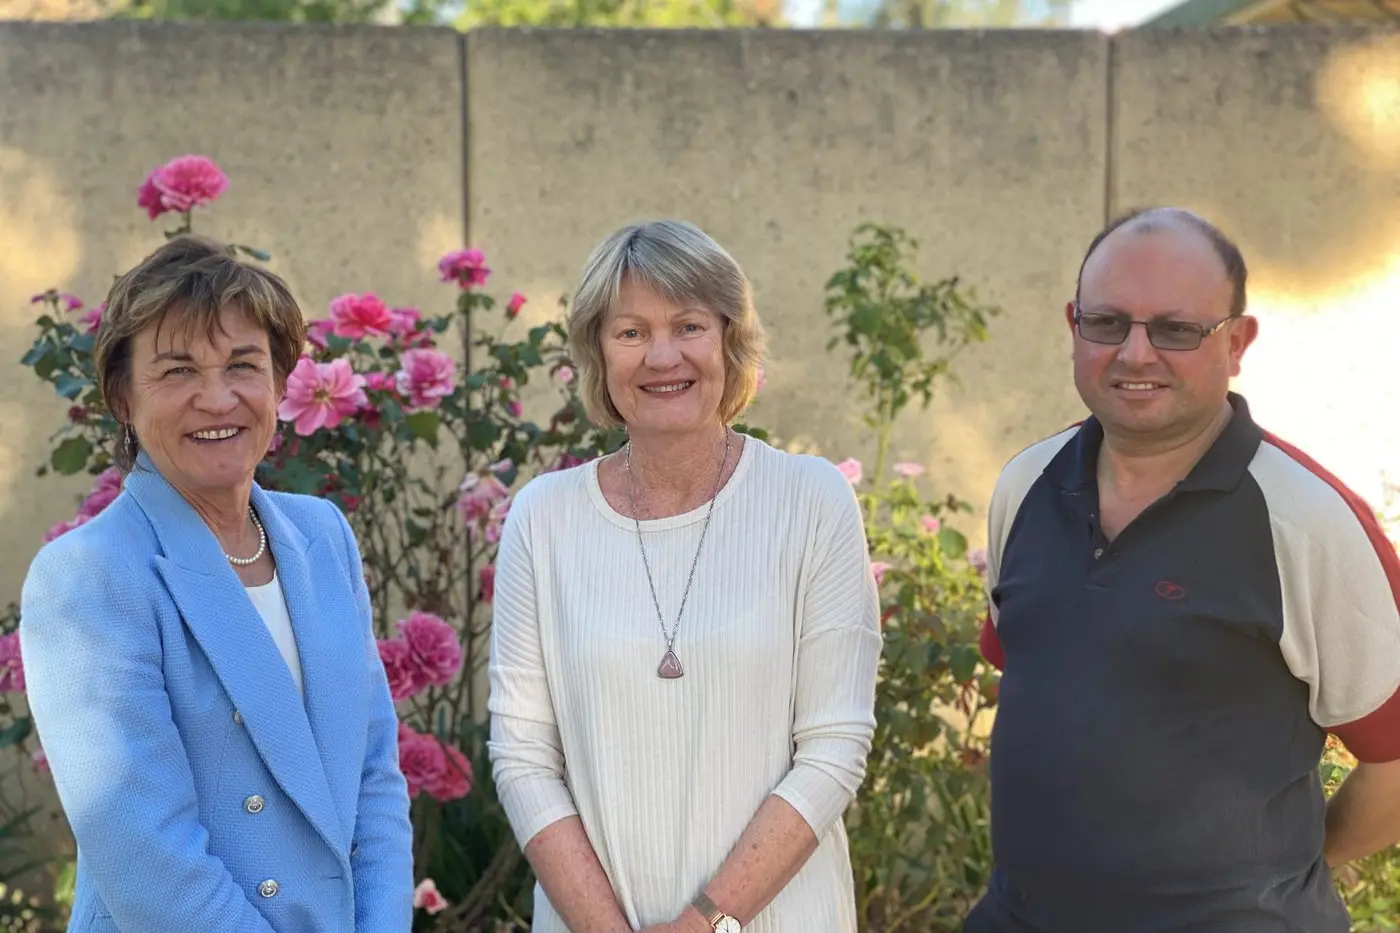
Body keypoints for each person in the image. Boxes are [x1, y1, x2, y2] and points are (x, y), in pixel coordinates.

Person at [966, 207, 1400, 932]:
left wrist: (1287, 876)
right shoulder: (1025, 485)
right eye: (1107, 323)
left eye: (1175, 329)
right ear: (1074, 325)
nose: (1135, 354)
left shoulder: (1307, 519)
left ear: (1237, 342)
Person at [486, 219, 882, 933]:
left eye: (689, 325)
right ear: (597, 352)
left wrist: (706, 924)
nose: (662, 356)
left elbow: (834, 747)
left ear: (730, 339)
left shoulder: (811, 502)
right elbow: (523, 758)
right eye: (631, 331)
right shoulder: (542, 520)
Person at [20, 235, 414, 932]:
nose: (217, 397)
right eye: (178, 370)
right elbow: (147, 857)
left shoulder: (322, 536)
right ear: (122, 395)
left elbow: (374, 777)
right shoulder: (87, 575)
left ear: (279, 383)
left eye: (243, 365)